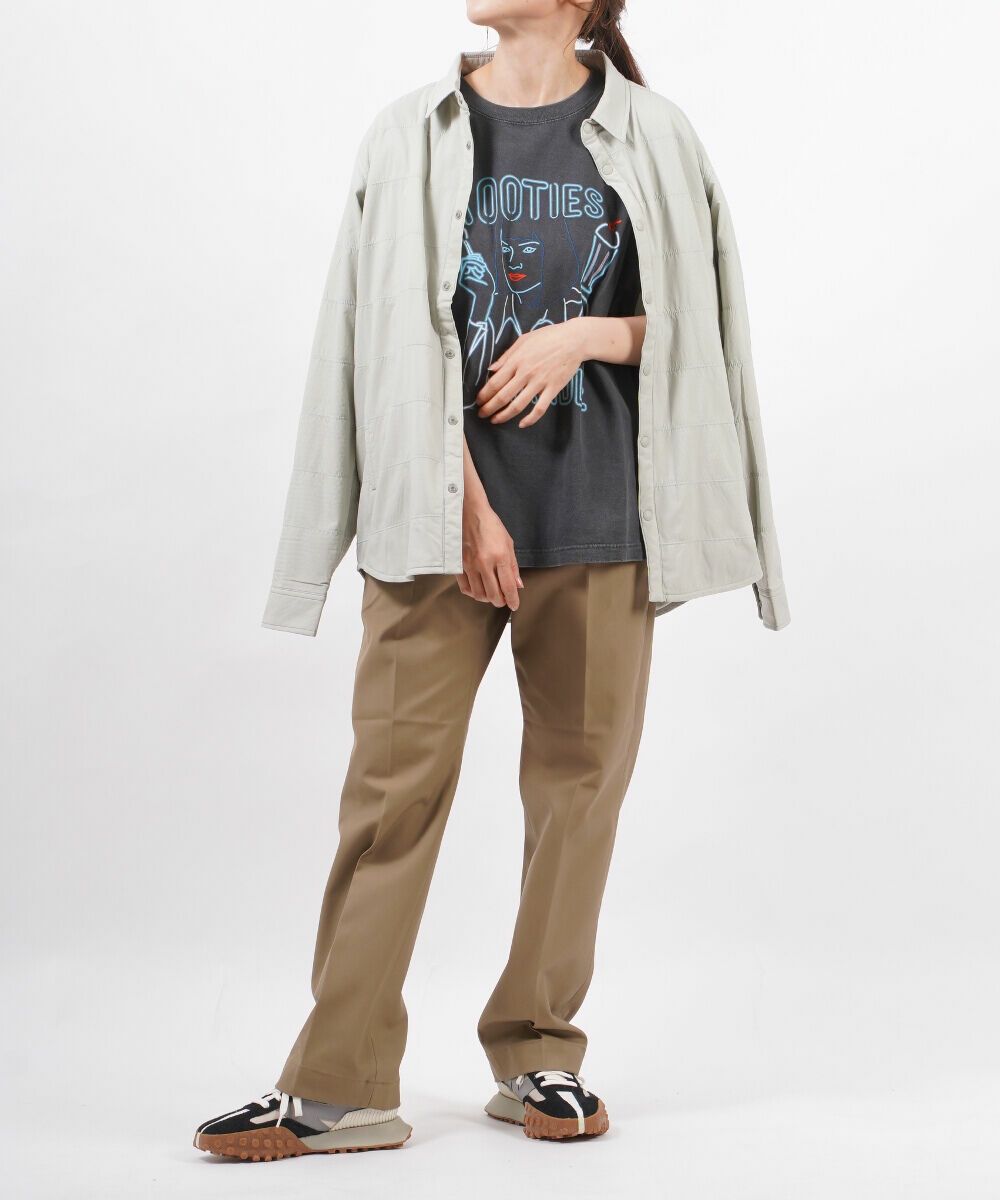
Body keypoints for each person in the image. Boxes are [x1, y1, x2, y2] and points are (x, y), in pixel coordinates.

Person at [194, 0, 790, 1162]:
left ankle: (538, 1053)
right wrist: (465, 504)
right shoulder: (407, 134)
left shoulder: (655, 134)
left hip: (603, 516)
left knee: (578, 795)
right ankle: (340, 1083)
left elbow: (705, 327)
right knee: (390, 796)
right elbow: (369, 338)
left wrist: (585, 338)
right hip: (433, 526)